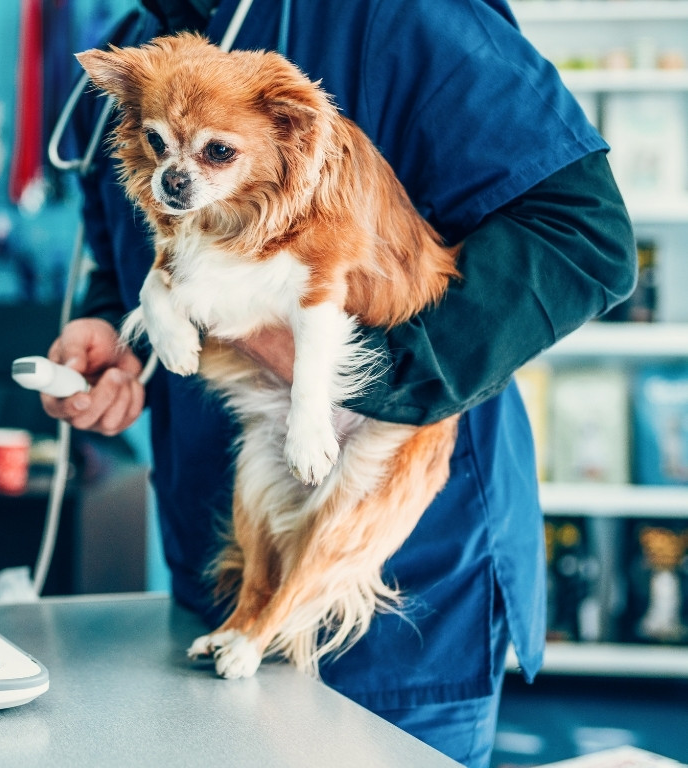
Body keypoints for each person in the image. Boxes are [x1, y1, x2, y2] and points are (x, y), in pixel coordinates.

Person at [40, 1, 637, 765]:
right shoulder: (137, 44)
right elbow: (136, 234)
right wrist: (114, 329)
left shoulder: (406, 14)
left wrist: (368, 375)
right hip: (214, 571)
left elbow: (582, 233)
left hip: (404, 594)